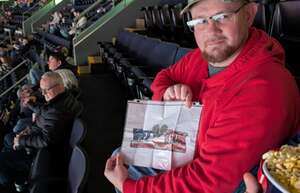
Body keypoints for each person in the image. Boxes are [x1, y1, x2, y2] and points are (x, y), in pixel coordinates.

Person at [104, 0, 300, 193]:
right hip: (189, 150)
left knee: (128, 175)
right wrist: (168, 91)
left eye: (222, 17)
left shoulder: (263, 88)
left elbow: (208, 181)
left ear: (249, 14)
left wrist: (129, 187)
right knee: (120, 157)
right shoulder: (201, 57)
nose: (211, 31)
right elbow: (166, 77)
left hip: (219, 181)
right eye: (200, 21)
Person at [0, 71, 81, 188]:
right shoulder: (63, 98)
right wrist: (32, 105)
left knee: (2, 160)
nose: (42, 94)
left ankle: (21, 182)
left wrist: (22, 140)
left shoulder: (58, 110)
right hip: (49, 145)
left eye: (45, 90)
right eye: (41, 90)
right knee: (8, 140)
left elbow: (45, 140)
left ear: (59, 86)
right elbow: (46, 111)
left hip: (47, 156)